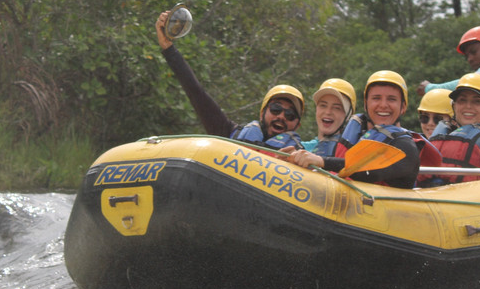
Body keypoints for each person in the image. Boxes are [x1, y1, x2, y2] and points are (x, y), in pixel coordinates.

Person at [155, 10, 303, 150]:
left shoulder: (302, 158)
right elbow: (196, 92)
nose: (281, 116)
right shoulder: (228, 132)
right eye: (276, 109)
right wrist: (169, 48)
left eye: (290, 115)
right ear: (262, 113)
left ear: (297, 125)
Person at [288, 70, 420, 189]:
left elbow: (370, 171)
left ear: (403, 107)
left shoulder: (406, 146)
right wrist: (294, 160)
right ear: (366, 104)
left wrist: (321, 161)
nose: (383, 105)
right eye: (376, 98)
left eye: (391, 99)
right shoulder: (355, 139)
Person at [302, 78, 357, 157]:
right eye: (323, 105)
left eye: (337, 108)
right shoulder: (300, 149)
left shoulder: (353, 154)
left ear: (348, 115)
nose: (328, 112)